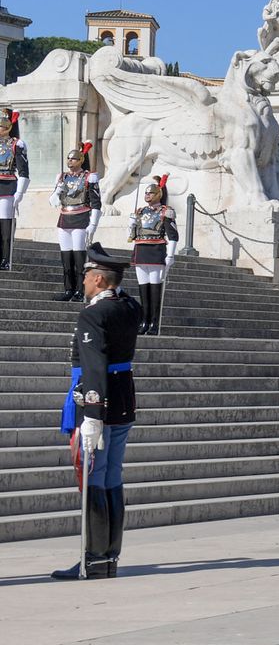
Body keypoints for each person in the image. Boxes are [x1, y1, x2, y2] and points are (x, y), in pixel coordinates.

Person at [52, 247, 140, 579]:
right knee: (112, 477)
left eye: (88, 276)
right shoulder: (129, 306)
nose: (84, 281)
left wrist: (92, 414)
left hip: (97, 402)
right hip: (123, 399)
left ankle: (93, 559)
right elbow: (125, 296)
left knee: (92, 478)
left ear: (99, 279)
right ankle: (108, 557)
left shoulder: (93, 314)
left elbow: (94, 364)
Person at [50, 143, 101, 302]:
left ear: (81, 160)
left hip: (81, 217)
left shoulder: (88, 177)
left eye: (73, 159)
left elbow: (96, 203)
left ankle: (80, 289)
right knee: (66, 258)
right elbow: (52, 202)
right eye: (68, 158)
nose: (70, 161)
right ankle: (68, 289)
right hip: (65, 217)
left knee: (79, 257)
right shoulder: (62, 177)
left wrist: (93, 223)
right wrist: (57, 190)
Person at [127, 175, 177, 336]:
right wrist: (131, 224)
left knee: (154, 288)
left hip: (156, 250)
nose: (147, 195)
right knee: (143, 288)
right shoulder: (140, 211)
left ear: (158, 194)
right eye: (146, 193)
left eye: (150, 193)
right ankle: (144, 321)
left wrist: (170, 255)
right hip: (141, 250)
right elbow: (133, 234)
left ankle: (154, 322)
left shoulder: (165, 212)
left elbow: (173, 235)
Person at [0, 109, 29, 271]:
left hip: (7, 186)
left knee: (5, 225)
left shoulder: (16, 145)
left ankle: (5, 259)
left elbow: (24, 171)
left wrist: (20, 192)